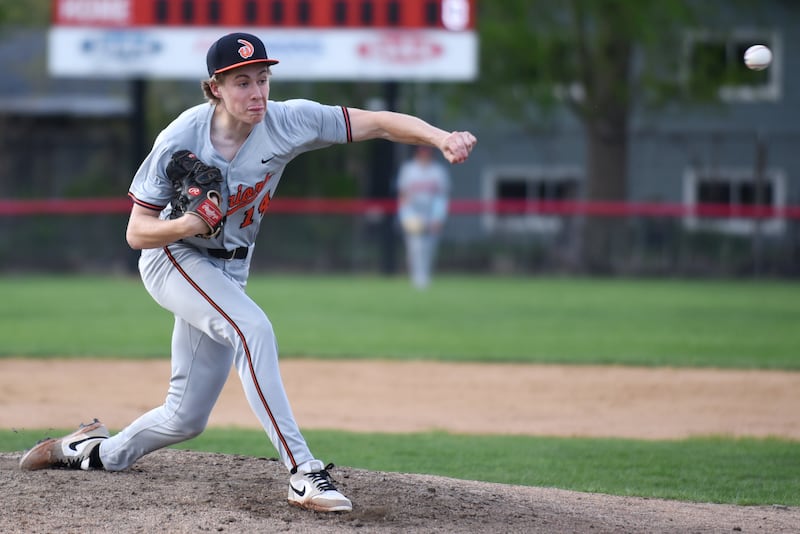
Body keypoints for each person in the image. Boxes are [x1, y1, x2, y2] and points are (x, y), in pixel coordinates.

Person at [18, 32, 476, 513]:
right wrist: (188, 223)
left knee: (185, 418)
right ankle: (302, 471)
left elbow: (378, 123)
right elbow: (136, 232)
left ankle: (91, 451)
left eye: (262, 79)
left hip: (230, 271)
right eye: (242, 83)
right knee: (252, 328)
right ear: (215, 87)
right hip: (174, 258)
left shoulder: (288, 121)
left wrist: (440, 137)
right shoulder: (181, 137)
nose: (257, 92)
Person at [396, 145, 451, 289]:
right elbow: (403, 195)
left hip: (430, 214)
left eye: (427, 151)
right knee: (415, 247)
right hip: (413, 213)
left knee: (429, 248)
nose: (424, 154)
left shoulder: (438, 172)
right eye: (422, 151)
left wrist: (438, 218)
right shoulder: (408, 170)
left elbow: (442, 197)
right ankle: (417, 279)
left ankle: (425, 277)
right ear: (417, 153)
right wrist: (405, 216)